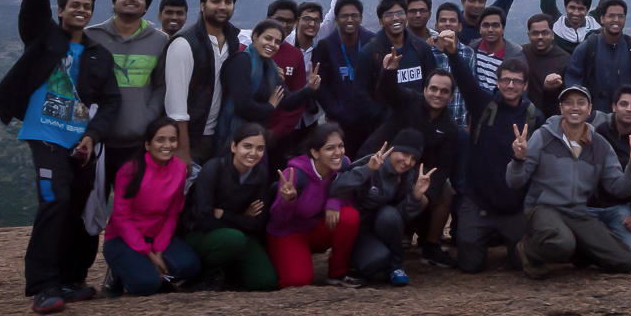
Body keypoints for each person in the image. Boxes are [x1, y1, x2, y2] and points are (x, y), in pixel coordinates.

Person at [0, 0, 123, 314]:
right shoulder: (44, 38)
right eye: (73, 5)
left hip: (81, 143)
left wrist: (92, 137)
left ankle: (71, 278)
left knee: (78, 204)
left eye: (86, 7)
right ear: (61, 11)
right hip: (44, 136)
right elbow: (31, 13)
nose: (80, 10)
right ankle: (44, 285)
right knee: (55, 200)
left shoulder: (98, 55)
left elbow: (111, 102)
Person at [506, 84, 631, 278]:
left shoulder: (600, 145)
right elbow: (514, 182)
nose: (575, 107)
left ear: (589, 110)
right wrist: (518, 159)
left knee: (624, 260)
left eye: (581, 103)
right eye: (568, 103)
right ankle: (526, 250)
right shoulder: (543, 136)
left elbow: (619, 189)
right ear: (561, 108)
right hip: (544, 208)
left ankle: (576, 250)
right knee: (562, 244)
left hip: (578, 213)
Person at [446, 51, 541, 273]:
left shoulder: (534, 117)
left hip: (514, 206)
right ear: (497, 82)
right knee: (469, 266)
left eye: (517, 81)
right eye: (505, 79)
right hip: (478, 201)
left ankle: (508, 239)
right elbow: (464, 79)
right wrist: (452, 53)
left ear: (525, 85)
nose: (510, 85)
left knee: (521, 264)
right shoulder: (482, 105)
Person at [366, 46, 460, 268]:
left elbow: (443, 167)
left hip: (416, 176)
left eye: (444, 91)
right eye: (433, 89)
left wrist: (428, 193)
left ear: (451, 96)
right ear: (424, 89)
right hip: (383, 167)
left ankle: (430, 245)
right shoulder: (409, 100)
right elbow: (390, 92)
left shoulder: (450, 128)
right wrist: (388, 71)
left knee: (445, 192)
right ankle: (374, 238)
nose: (438, 94)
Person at [85, 0, 170, 191]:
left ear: (145, 9)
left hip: (137, 142)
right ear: (114, 3)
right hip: (94, 140)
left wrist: (149, 114)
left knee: (131, 203)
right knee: (87, 205)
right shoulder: (90, 36)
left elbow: (161, 84)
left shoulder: (159, 40)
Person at [101, 118, 202, 295]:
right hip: (123, 239)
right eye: (160, 139)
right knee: (145, 284)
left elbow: (173, 214)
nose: (167, 145)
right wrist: (149, 254)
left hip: (156, 236)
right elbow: (120, 218)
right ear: (148, 145)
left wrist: (160, 250)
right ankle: (118, 271)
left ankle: (151, 273)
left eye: (172, 139)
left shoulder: (179, 169)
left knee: (190, 267)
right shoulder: (130, 170)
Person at [180, 121, 280, 291]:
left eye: (259, 148)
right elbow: (204, 219)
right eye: (247, 146)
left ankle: (231, 271)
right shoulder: (213, 168)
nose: (253, 153)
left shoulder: (261, 174)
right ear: (234, 146)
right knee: (234, 239)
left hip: (239, 235)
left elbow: (257, 222)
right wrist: (243, 218)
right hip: (200, 235)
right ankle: (202, 275)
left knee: (266, 282)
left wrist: (224, 214)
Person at [332, 131, 438, 286]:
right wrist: (368, 169)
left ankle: (395, 268)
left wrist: (415, 196)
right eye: (405, 153)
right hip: (358, 229)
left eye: (413, 158)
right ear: (393, 149)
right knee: (375, 262)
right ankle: (360, 259)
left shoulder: (408, 176)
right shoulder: (373, 162)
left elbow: (402, 217)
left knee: (390, 214)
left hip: (382, 225)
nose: (407, 161)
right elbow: (336, 187)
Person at [266, 124, 364, 289]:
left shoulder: (344, 165)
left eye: (341, 146)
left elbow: (349, 197)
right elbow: (278, 222)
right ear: (314, 153)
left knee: (349, 216)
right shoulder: (294, 174)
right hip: (289, 232)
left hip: (318, 229)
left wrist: (335, 202)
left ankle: (338, 273)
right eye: (330, 148)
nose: (338, 152)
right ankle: (281, 258)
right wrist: (286, 201)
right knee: (297, 282)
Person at [164, 0, 241, 164]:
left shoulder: (233, 40)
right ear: (202, 5)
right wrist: (183, 150)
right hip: (192, 137)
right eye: (215, 1)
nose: (222, 6)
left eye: (228, 2)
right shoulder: (185, 43)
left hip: (220, 135)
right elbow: (176, 104)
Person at [221, 20, 320, 164]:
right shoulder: (242, 60)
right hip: (233, 135)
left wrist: (308, 89)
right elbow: (243, 106)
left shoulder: (271, 69)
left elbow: (287, 102)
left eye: (277, 42)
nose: (272, 44)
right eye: (268, 38)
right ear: (255, 36)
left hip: (257, 137)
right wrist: (270, 107)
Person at [588, 86, 631, 260]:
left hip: (619, 206)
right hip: (589, 204)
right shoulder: (596, 129)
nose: (629, 109)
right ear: (614, 107)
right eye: (624, 104)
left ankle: (602, 236)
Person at [311, 0, 380, 151]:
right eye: (344, 16)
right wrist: (336, 110)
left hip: (371, 121)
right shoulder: (326, 46)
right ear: (336, 20)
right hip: (340, 123)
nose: (350, 19)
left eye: (354, 15)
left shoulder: (373, 42)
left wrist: (376, 110)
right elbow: (321, 85)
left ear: (361, 17)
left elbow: (381, 78)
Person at [564, 0, 631, 99]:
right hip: (594, 112)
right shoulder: (586, 49)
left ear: (625, 19)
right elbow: (573, 84)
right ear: (602, 18)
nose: (616, 20)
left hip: (624, 111)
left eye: (620, 16)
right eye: (611, 16)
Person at [364, 0, 439, 102]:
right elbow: (362, 96)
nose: (395, 18)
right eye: (389, 14)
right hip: (384, 118)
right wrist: (383, 117)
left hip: (418, 117)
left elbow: (432, 85)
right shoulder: (369, 52)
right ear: (381, 21)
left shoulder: (422, 48)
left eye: (399, 13)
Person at [521, 13, 571, 111]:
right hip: (524, 113)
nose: (540, 37)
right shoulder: (521, 54)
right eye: (535, 33)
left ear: (552, 35)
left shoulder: (565, 60)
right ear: (529, 35)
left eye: (544, 33)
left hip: (553, 115)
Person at [465, 5, 518, 95]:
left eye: (495, 25)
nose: (490, 30)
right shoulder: (472, 49)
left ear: (503, 29)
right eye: (486, 25)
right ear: (480, 29)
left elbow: (519, 89)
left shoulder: (514, 55)